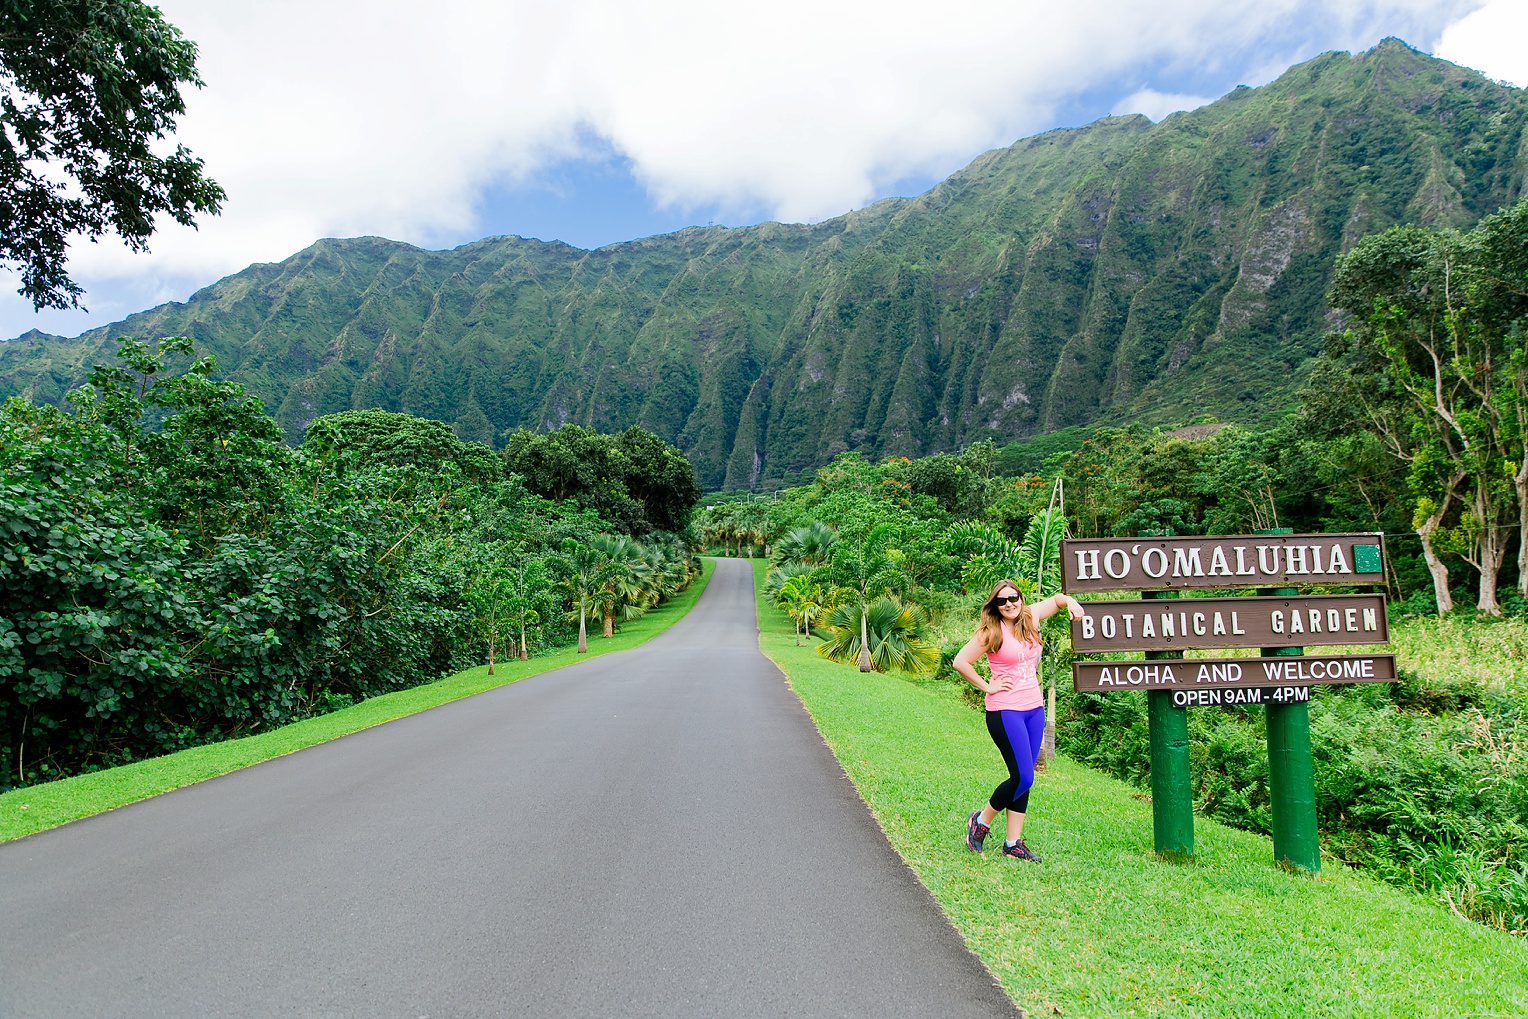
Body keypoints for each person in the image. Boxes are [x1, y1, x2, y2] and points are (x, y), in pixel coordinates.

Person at [952, 579, 1084, 861]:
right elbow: (961, 662)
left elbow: (1059, 599)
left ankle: (1012, 844)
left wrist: (1071, 603)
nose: (1010, 603)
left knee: (1024, 778)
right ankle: (981, 821)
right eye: (1002, 601)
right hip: (1005, 710)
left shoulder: (1031, 616)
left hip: (1034, 709)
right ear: (995, 606)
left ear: (1021, 598)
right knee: (1024, 776)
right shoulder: (990, 632)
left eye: (1014, 597)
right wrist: (988, 686)